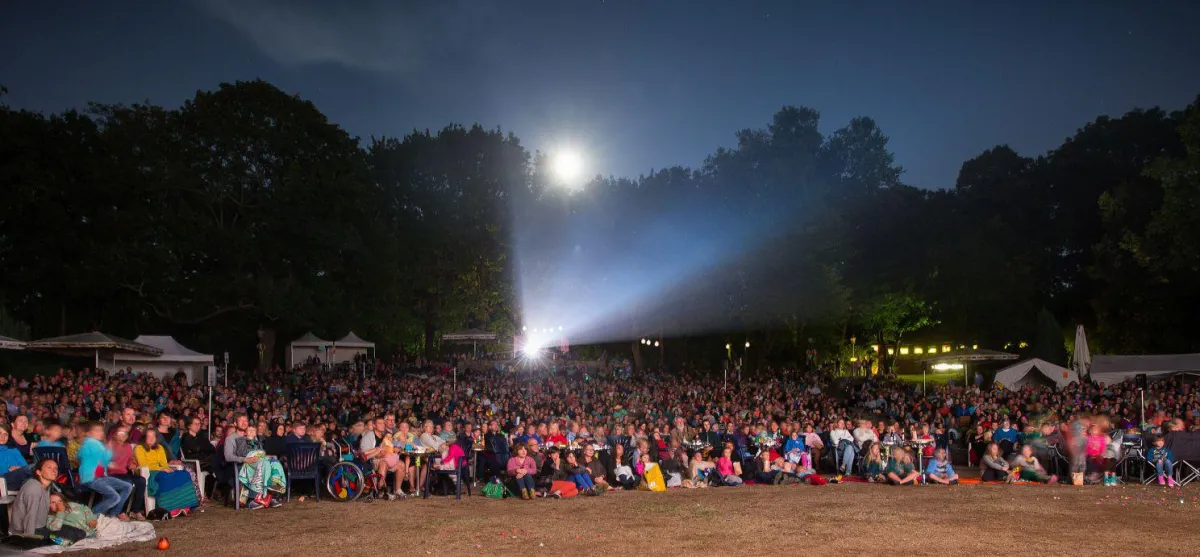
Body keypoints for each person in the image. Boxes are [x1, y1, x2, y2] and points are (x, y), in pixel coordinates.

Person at [47, 492, 157, 548]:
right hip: (92, 532)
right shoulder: (51, 518)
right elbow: (56, 529)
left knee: (126, 528)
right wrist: (60, 512)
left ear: (64, 501)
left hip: (97, 521)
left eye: (59, 501)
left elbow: (85, 508)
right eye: (53, 502)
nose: (58, 504)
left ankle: (126, 526)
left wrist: (91, 519)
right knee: (117, 533)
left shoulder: (71, 505)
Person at [78, 421, 133, 519]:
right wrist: (107, 451)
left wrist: (108, 454)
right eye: (97, 430)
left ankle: (112, 514)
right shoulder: (89, 443)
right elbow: (82, 456)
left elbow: (105, 458)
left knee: (127, 486)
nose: (101, 433)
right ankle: (90, 516)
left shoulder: (97, 444)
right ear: (88, 433)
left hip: (102, 477)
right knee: (114, 497)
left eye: (101, 430)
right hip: (91, 479)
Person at [0, 424, 31, 489]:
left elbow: (25, 466)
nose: (2, 436)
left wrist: (19, 468)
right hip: (3, 480)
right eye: (0, 433)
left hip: (21, 478)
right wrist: (8, 469)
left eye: (6, 434)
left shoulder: (14, 450)